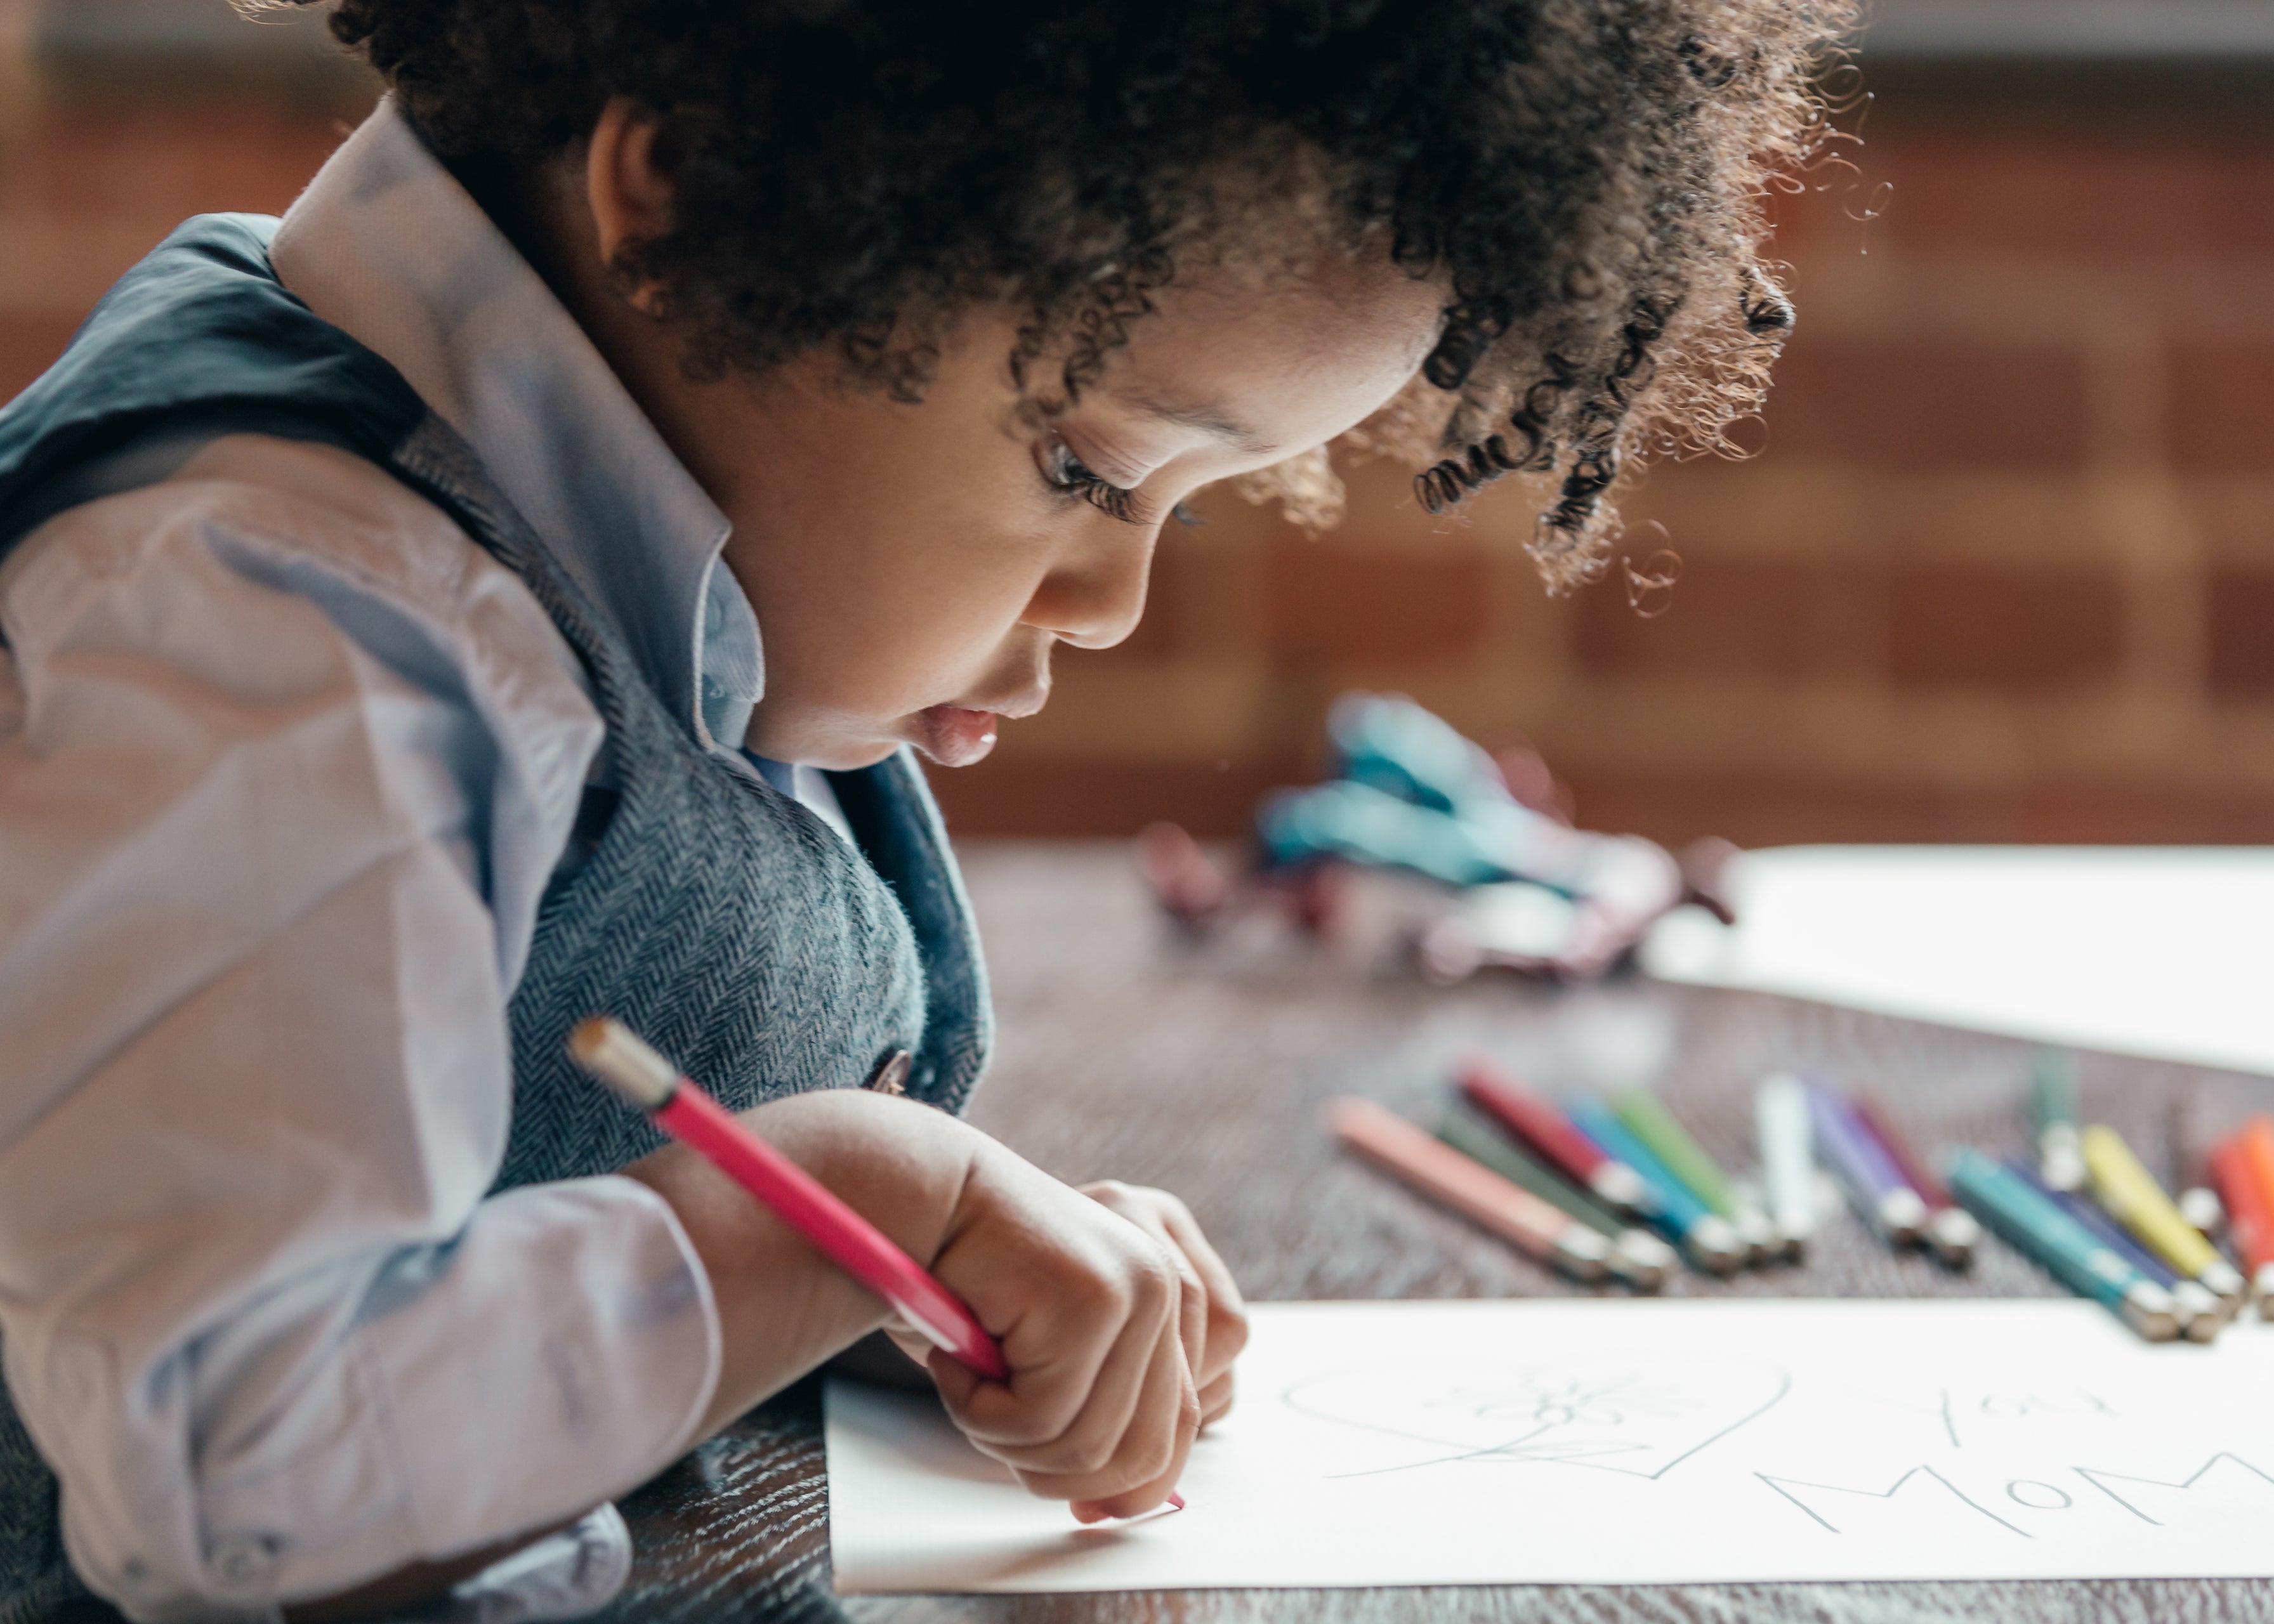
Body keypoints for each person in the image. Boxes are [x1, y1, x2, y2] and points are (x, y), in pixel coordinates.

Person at [0, 0, 1845, 1617]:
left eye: (1185, 501)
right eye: (1080, 465)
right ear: (708, 201)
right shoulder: (285, 618)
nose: (1114, 603)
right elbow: (242, 1469)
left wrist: (921, 1287)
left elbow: (535, 1182)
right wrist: (844, 1206)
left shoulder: (605, 517)